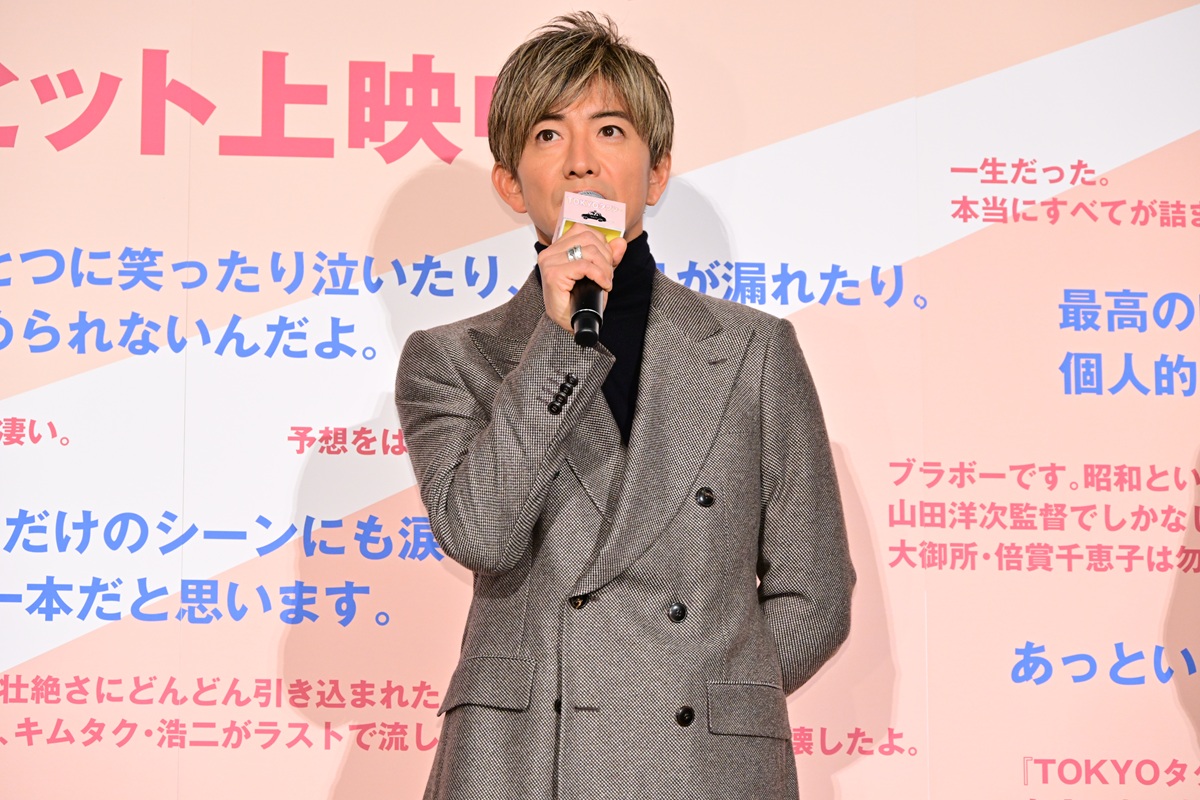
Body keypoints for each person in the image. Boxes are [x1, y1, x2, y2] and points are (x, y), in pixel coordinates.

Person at [395, 12, 854, 799]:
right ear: (511, 183)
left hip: (700, 769)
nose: (580, 160)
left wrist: (707, 692)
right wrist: (556, 341)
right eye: (548, 134)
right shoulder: (451, 359)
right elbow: (481, 534)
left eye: (609, 130)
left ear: (657, 171)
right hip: (525, 762)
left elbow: (814, 590)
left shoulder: (753, 350)